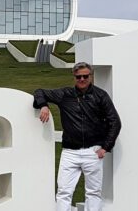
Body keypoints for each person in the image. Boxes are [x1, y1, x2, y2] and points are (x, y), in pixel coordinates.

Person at [34, 62, 121, 211]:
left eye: (85, 76)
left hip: (93, 151)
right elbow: (39, 92)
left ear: (91, 76)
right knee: (63, 192)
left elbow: (115, 122)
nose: (82, 79)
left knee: (93, 193)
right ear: (74, 77)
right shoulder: (65, 94)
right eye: (78, 76)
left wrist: (105, 147)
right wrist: (44, 105)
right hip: (69, 152)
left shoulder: (100, 95)